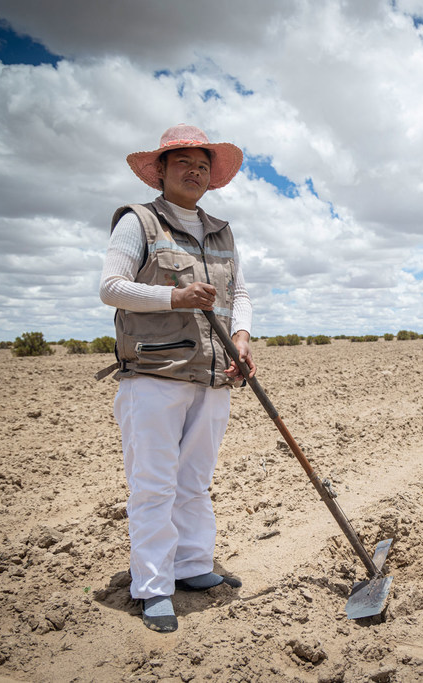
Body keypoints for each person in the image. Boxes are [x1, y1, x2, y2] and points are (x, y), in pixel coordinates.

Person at [98, 124, 256, 633]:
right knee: (154, 485)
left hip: (213, 376)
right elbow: (112, 288)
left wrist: (244, 336)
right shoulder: (139, 222)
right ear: (160, 171)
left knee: (194, 482)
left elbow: (241, 295)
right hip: (154, 374)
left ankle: (191, 567)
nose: (194, 171)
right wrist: (175, 297)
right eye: (182, 161)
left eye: (203, 164)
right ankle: (151, 587)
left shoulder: (222, 230)